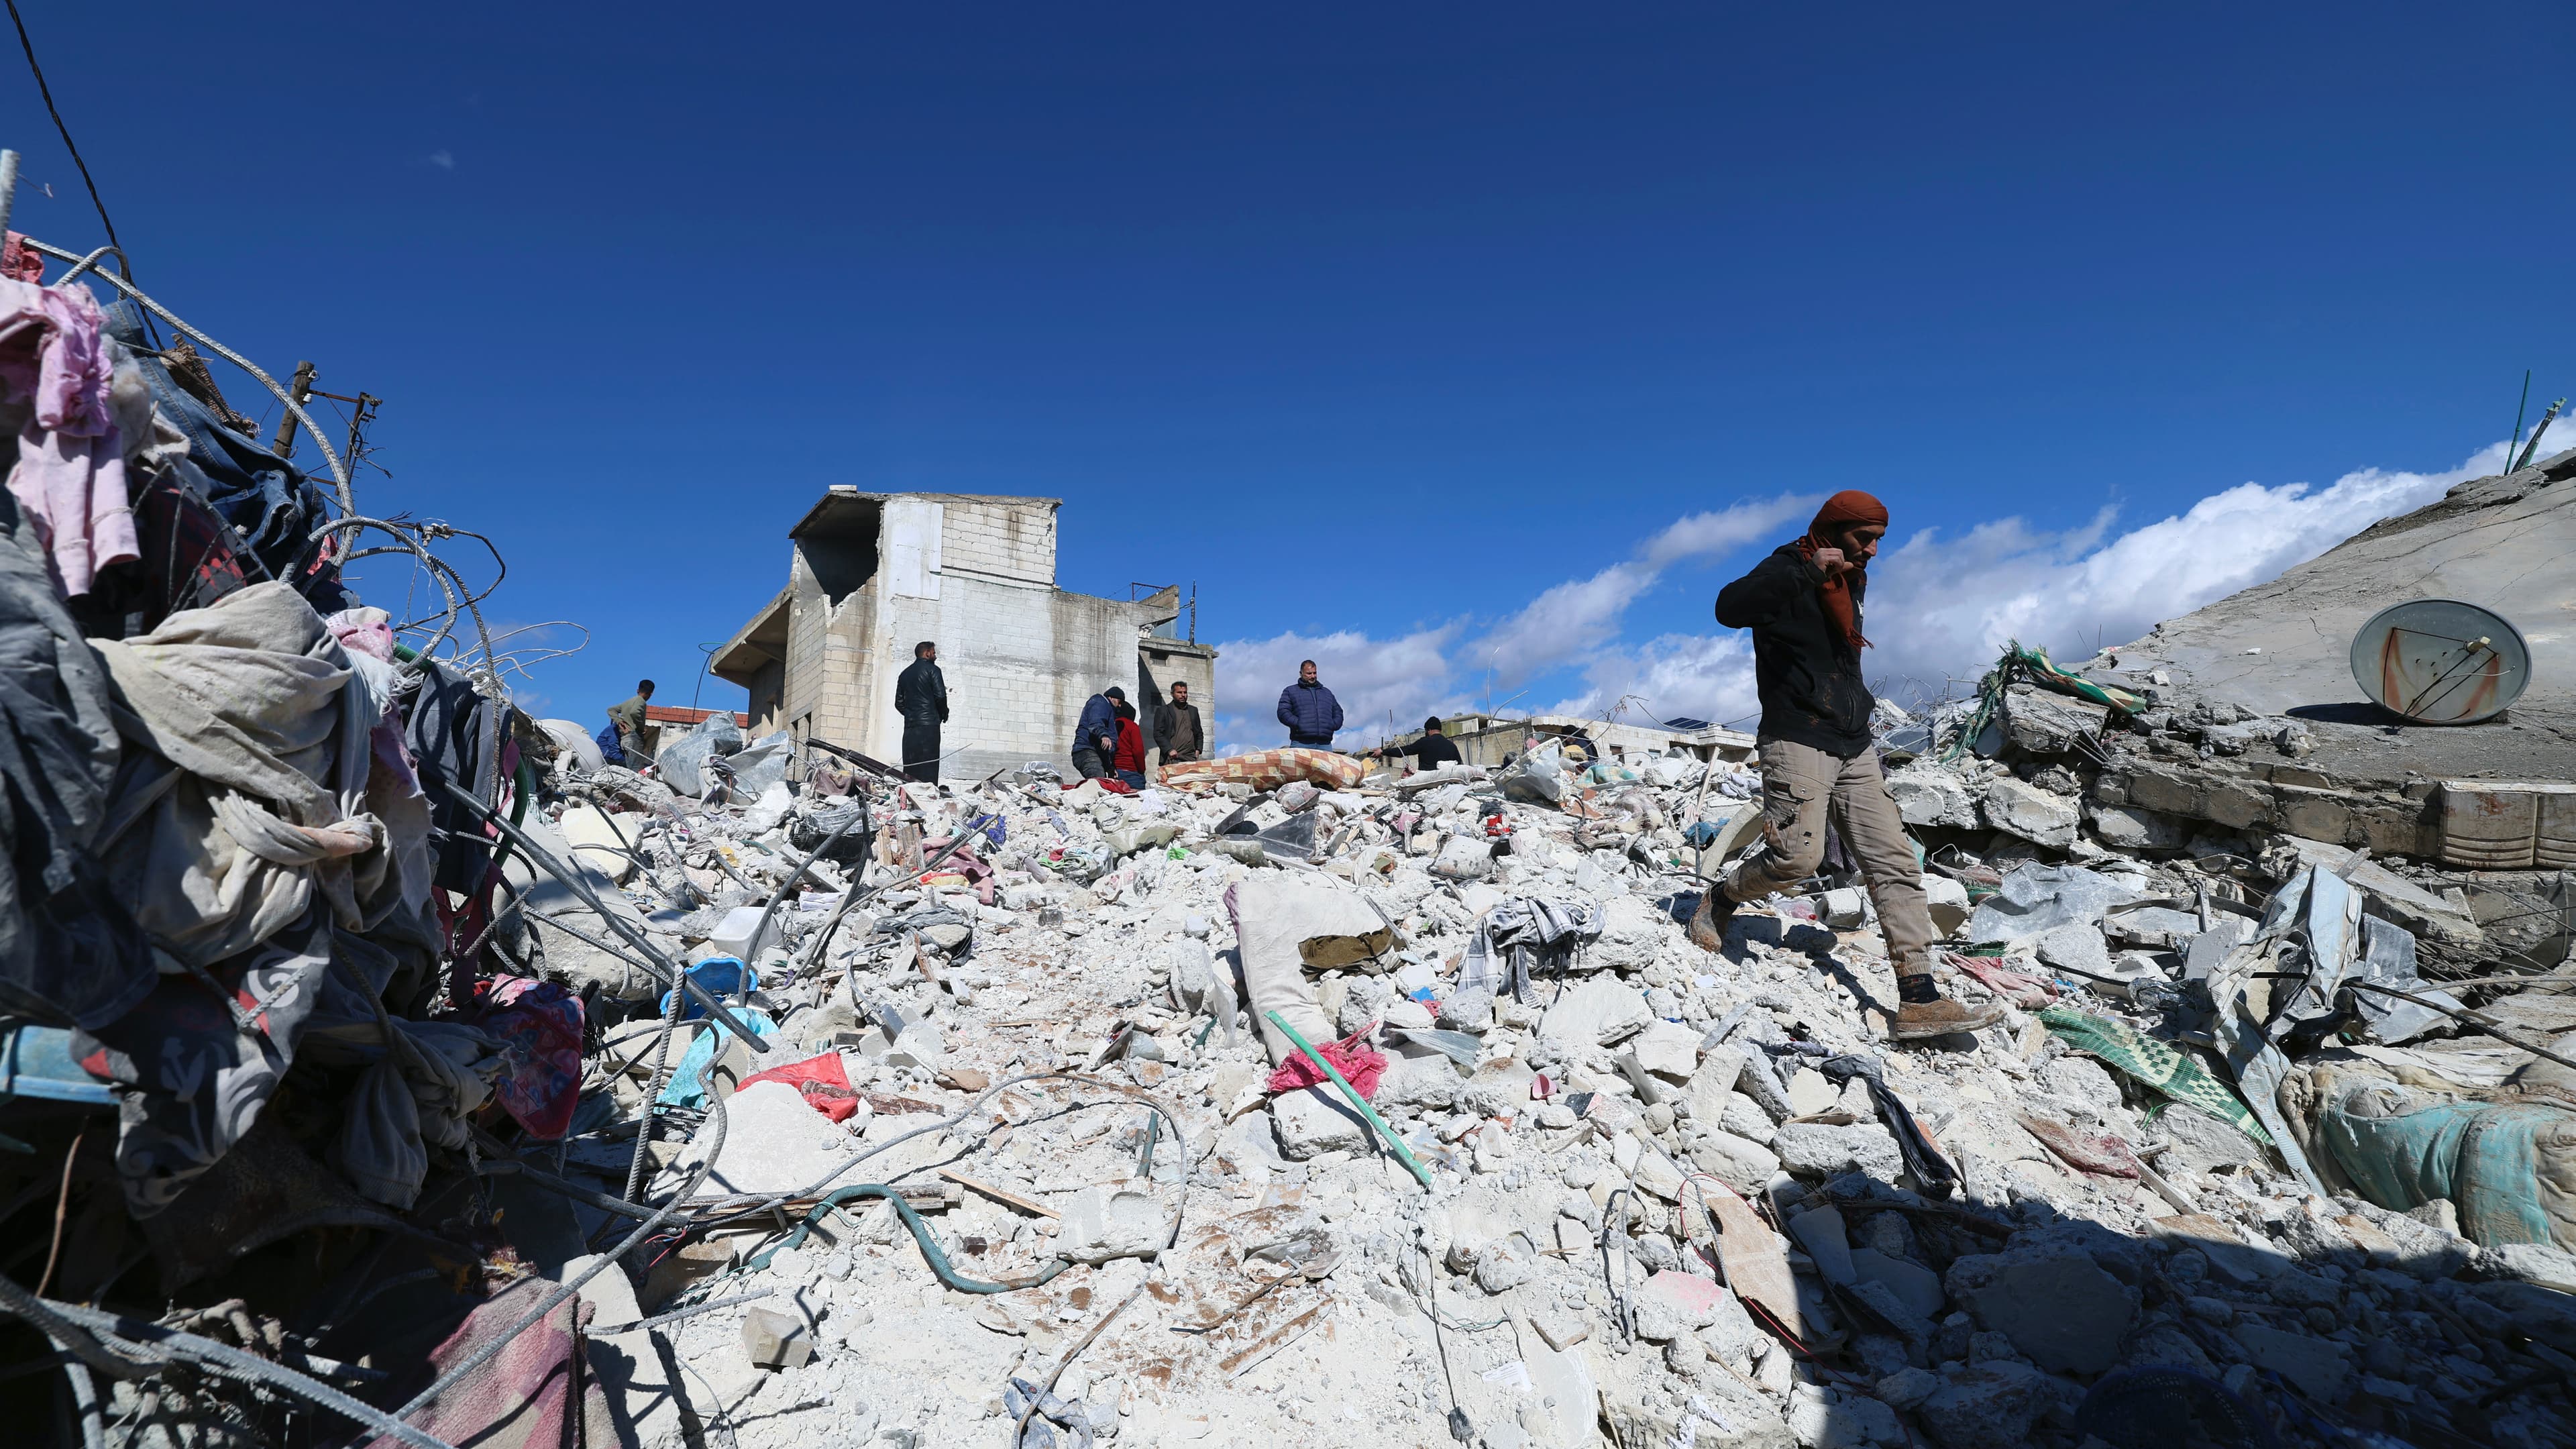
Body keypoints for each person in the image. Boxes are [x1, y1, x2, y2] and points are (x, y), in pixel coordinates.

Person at [1692, 490, 2007, 1041]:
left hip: (1854, 743)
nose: (1875, 550)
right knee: (1798, 858)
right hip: (1798, 737)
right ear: (1835, 530)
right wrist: (1808, 575)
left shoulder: (1852, 579)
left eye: (1880, 539)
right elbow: (1728, 607)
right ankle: (1720, 899)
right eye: (1866, 538)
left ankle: (1919, 999)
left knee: (1895, 863)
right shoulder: (1790, 567)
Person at [894, 641, 948, 784]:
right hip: (929, 726)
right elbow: (940, 696)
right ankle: (928, 799)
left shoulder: (904, 674)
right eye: (934, 653)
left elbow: (898, 703)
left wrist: (913, 715)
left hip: (911, 728)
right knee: (929, 767)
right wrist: (943, 713)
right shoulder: (933, 670)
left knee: (911, 767)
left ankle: (910, 798)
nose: (935, 656)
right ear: (927, 653)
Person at [1276, 659, 1343, 750]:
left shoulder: (1327, 693)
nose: (1313, 676)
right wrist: (1299, 724)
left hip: (1325, 745)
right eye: (1309, 673)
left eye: (1315, 673)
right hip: (1301, 743)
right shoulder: (1290, 691)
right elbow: (1283, 712)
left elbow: (1338, 712)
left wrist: (1332, 725)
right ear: (1301, 673)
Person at [1071, 685, 1125, 781]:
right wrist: (1103, 735)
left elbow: (1103, 750)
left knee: (1102, 784)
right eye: (1120, 702)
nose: (1120, 706)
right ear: (1111, 697)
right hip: (1086, 751)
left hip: (1094, 753)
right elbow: (1096, 721)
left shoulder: (1108, 710)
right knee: (1099, 783)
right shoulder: (1100, 702)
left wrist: (1109, 767)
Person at [1155, 680, 1206, 764]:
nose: (1183, 695)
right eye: (1179, 692)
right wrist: (1169, 749)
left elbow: (1199, 732)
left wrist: (1198, 750)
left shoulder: (1193, 710)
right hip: (1172, 758)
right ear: (1172, 694)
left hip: (1191, 758)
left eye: (1185, 692)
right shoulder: (1163, 711)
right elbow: (1158, 733)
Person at [607, 680, 654, 767]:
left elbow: (611, 710)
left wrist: (619, 721)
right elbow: (635, 712)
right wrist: (641, 727)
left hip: (625, 739)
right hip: (634, 737)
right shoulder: (641, 701)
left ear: (637, 690)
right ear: (651, 694)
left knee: (630, 767)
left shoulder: (628, 702)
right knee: (636, 768)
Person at [1111, 700, 1150, 789]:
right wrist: (1142, 769)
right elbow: (1138, 751)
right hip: (1131, 772)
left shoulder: (1111, 726)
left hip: (1115, 772)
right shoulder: (1132, 726)